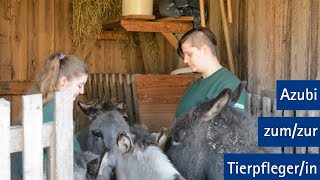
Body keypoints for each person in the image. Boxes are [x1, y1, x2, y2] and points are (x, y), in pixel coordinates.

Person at [18, 52, 89, 177]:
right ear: (63, 82)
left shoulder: (46, 104)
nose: (82, 91)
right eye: (80, 85)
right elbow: (73, 155)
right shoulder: (55, 111)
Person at [175, 27, 247, 119]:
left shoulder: (231, 86)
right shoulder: (195, 85)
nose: (185, 60)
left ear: (204, 50)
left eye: (189, 54)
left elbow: (232, 130)